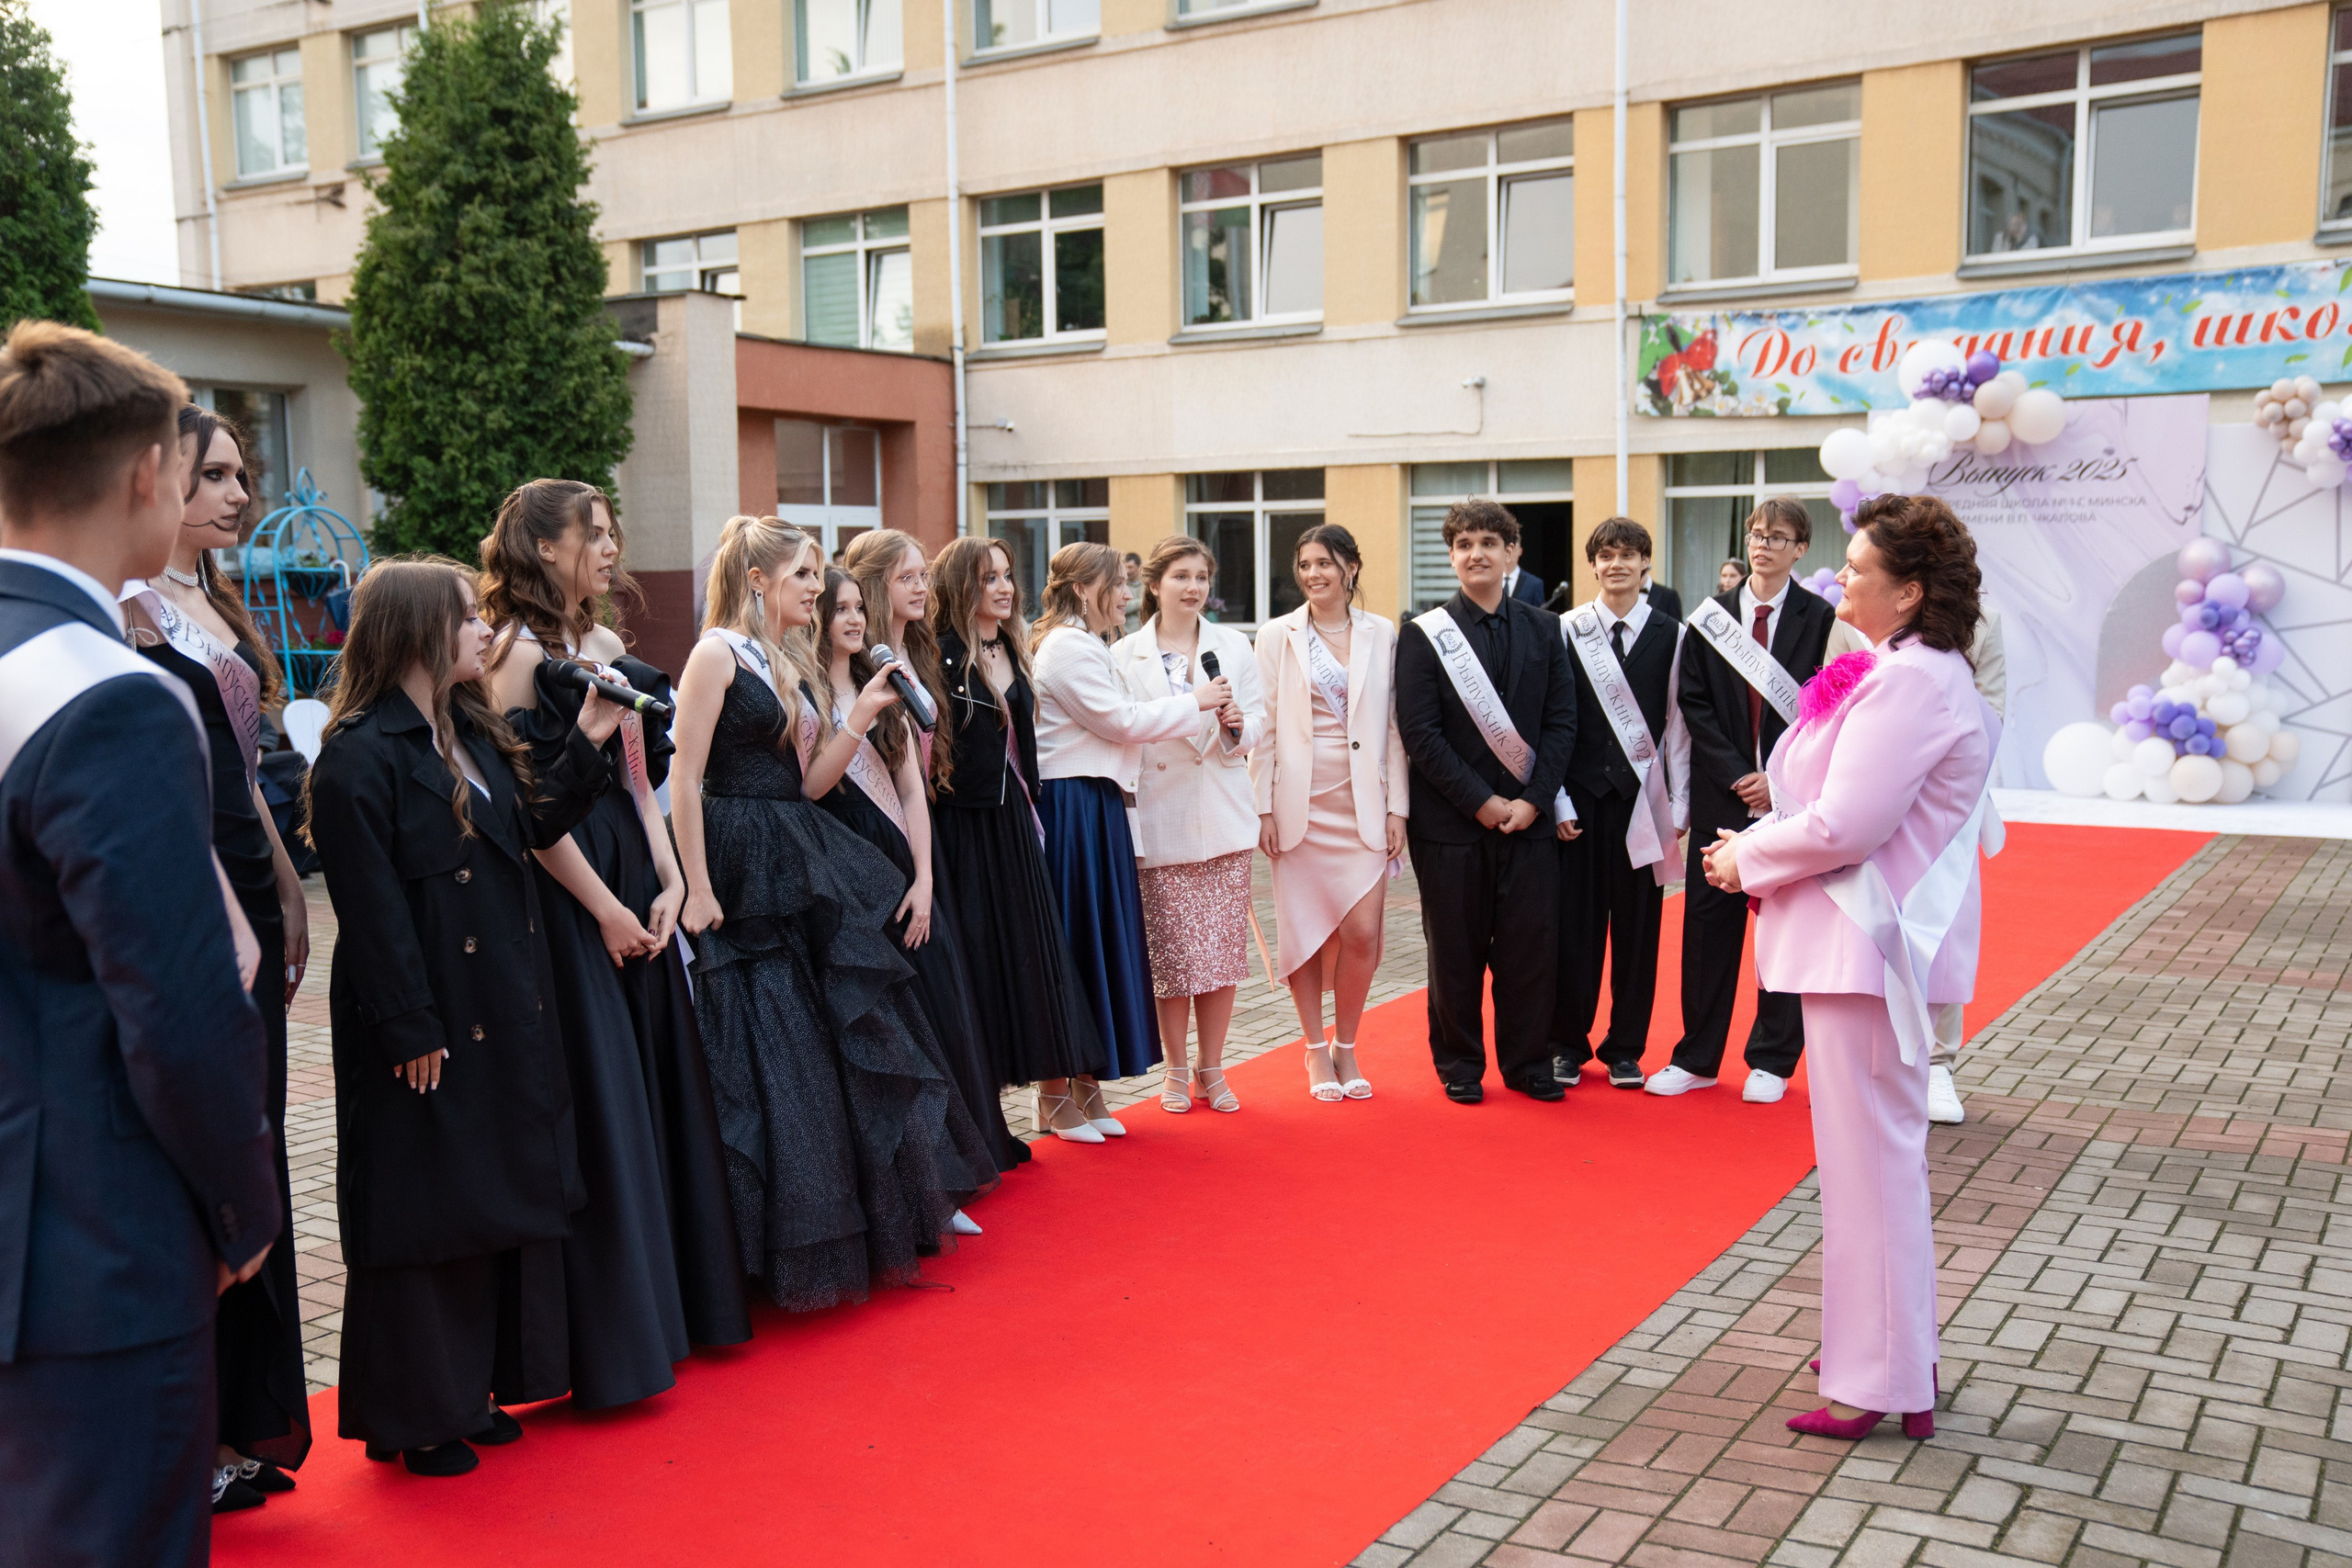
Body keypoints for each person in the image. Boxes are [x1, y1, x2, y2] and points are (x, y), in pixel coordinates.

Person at [0, 321, 277, 1566]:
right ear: (139, 478)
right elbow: (175, 1003)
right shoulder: (107, 693)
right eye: (186, 466)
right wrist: (241, 1207)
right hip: (89, 1249)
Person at [307, 558, 618, 1476]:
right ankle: (417, 1417)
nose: (484, 632)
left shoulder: (467, 730)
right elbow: (368, 911)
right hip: (423, 1016)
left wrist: (591, 737)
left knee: (482, 1198)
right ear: (416, 631)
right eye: (465, 620)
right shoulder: (360, 753)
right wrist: (409, 1024)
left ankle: (471, 1391)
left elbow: (528, 825)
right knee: (422, 1211)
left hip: (492, 1003)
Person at [1702, 493, 1996, 1441]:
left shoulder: (1912, 683)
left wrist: (1743, 857)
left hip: (1867, 952)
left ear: (1908, 592)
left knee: (1870, 1172)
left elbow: (1846, 825)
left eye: (1860, 567)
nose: (1841, 578)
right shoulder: (1899, 670)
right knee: (1869, 1170)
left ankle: (1881, 1378)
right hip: (1863, 952)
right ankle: (1886, 1357)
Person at [478, 479, 750, 1412]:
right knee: (599, 1105)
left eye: (610, 530)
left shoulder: (603, 647)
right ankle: (607, 1346)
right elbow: (524, 816)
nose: (609, 545)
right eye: (591, 533)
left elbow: (640, 778)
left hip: (636, 878)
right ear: (542, 548)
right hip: (565, 898)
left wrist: (671, 878)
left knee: (656, 1094)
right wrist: (602, 908)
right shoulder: (506, 658)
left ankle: (672, 1317)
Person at [671, 516, 989, 1310]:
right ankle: (756, 1247)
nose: (818, 588)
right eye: (805, 574)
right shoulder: (716, 652)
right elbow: (684, 777)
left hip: (797, 844)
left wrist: (857, 714)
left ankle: (852, 1215)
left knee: (821, 1042)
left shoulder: (789, 658)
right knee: (762, 1043)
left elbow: (810, 783)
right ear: (756, 579)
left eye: (818, 575)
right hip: (739, 855)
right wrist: (696, 884)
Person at [119, 406, 314, 1513]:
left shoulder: (212, 598)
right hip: (189, 889)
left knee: (259, 1151)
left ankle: (240, 1424)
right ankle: (188, 1441)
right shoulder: (133, 607)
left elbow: (246, 778)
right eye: (218, 474)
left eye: (245, 473)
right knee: (206, 1157)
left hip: (252, 874)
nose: (239, 494)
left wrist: (289, 889)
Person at [808, 566, 1017, 1196]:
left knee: (937, 1010)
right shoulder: (809, 694)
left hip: (904, 859)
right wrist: (857, 715)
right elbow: (809, 786)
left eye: (855, 609)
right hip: (845, 865)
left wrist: (925, 876)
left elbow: (910, 789)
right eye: (838, 610)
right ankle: (916, 1183)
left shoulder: (889, 687)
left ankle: (957, 1162)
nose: (852, 620)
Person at [1652, 496, 1841, 1105]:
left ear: (1800, 548)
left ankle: (1772, 1058)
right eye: (1756, 534)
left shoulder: (1822, 618)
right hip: (1722, 791)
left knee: (1784, 919)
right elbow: (1695, 703)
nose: (1763, 544)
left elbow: (1829, 705)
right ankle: (1697, 1056)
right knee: (1708, 924)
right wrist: (1739, 773)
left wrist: (1776, 776)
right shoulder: (1712, 619)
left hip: (1789, 795)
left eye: (1777, 536)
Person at [1032, 541, 1227, 1122]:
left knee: (1095, 946)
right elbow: (1120, 723)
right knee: (1077, 945)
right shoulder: (1067, 648)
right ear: (1087, 588)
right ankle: (1055, 1093)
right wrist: (1198, 702)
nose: (1126, 595)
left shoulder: (1089, 644)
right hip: (1073, 805)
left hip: (1096, 803)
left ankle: (1085, 1083)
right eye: (1118, 585)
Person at [1395, 500, 1577, 1104]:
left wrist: (1531, 801)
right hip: (1451, 823)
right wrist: (1481, 801)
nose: (1477, 553)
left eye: (1489, 543)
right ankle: (1460, 1063)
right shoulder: (1423, 636)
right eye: (1464, 543)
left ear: (1512, 553)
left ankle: (1527, 1062)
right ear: (1451, 555)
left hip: (1528, 822)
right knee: (1455, 948)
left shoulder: (1546, 628)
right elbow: (1420, 733)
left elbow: (1561, 724)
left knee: (1530, 949)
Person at [927, 536, 1106, 1141]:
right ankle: (993, 1114)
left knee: (1034, 955)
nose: (1003, 587)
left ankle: (1053, 1099)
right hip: (963, 826)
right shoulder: (940, 654)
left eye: (1006, 575)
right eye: (988, 577)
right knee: (982, 962)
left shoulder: (1010, 643)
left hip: (1014, 822)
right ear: (961, 586)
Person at [1251, 525, 1408, 1102]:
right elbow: (1263, 725)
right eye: (1306, 564)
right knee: (1308, 936)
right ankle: (1315, 1049)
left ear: (1351, 568)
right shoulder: (1276, 635)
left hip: (1363, 802)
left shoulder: (1382, 633)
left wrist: (1399, 807)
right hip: (1301, 804)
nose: (1314, 574)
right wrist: (1261, 807)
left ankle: (1348, 1044)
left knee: (1362, 933)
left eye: (1325, 563)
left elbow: (1395, 725)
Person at [1114, 536, 1265, 1113]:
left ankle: (1213, 1065)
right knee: (1172, 954)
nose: (1193, 587)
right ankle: (1176, 1068)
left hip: (1222, 813)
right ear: (1154, 585)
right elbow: (1125, 728)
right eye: (1181, 576)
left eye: (1202, 576)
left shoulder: (1232, 645)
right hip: (1160, 815)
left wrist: (1235, 727)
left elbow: (1258, 723)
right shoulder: (1125, 654)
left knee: (1221, 954)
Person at [1552, 518, 1686, 1090]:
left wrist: (1679, 806)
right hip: (1579, 806)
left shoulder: (1672, 633)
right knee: (1574, 931)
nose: (1617, 565)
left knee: (1638, 935)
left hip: (1643, 807)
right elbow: (1551, 722)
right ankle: (1565, 1045)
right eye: (1606, 555)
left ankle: (1626, 1048)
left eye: (1628, 555)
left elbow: (1677, 725)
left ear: (1645, 564)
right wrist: (1556, 800)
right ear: (1593, 565)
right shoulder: (1566, 630)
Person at [1928, 604, 2007, 1125]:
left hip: (1947, 793)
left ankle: (1938, 1062)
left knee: (1946, 926)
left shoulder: (1977, 620)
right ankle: (1877, 1058)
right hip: (1873, 788)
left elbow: (1992, 710)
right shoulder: (1853, 615)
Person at [1502, 536, 1544, 606]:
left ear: (1520, 551)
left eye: (1513, 549)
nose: (1509, 553)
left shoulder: (1534, 584)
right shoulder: (1490, 581)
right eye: (1506, 549)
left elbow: (1539, 614)